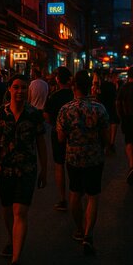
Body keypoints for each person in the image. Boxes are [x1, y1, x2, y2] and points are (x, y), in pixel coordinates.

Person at [0, 74, 47, 265]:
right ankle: (12, 239)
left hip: (27, 170)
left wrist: (44, 169)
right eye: (16, 87)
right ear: (9, 89)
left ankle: (16, 261)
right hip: (4, 169)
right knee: (7, 210)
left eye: (24, 88)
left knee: (20, 211)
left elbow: (41, 143)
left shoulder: (34, 114)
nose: (20, 91)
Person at [56, 70, 109, 255]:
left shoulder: (65, 110)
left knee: (75, 192)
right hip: (94, 156)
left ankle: (79, 228)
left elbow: (60, 138)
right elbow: (106, 136)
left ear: (74, 87)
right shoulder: (99, 108)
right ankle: (88, 234)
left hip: (73, 157)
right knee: (93, 195)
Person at [43, 66, 74, 211]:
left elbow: (46, 116)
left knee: (59, 164)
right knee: (74, 165)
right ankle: (75, 195)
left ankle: (62, 198)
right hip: (75, 134)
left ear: (57, 80)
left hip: (57, 133)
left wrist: (56, 124)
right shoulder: (74, 95)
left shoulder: (53, 97)